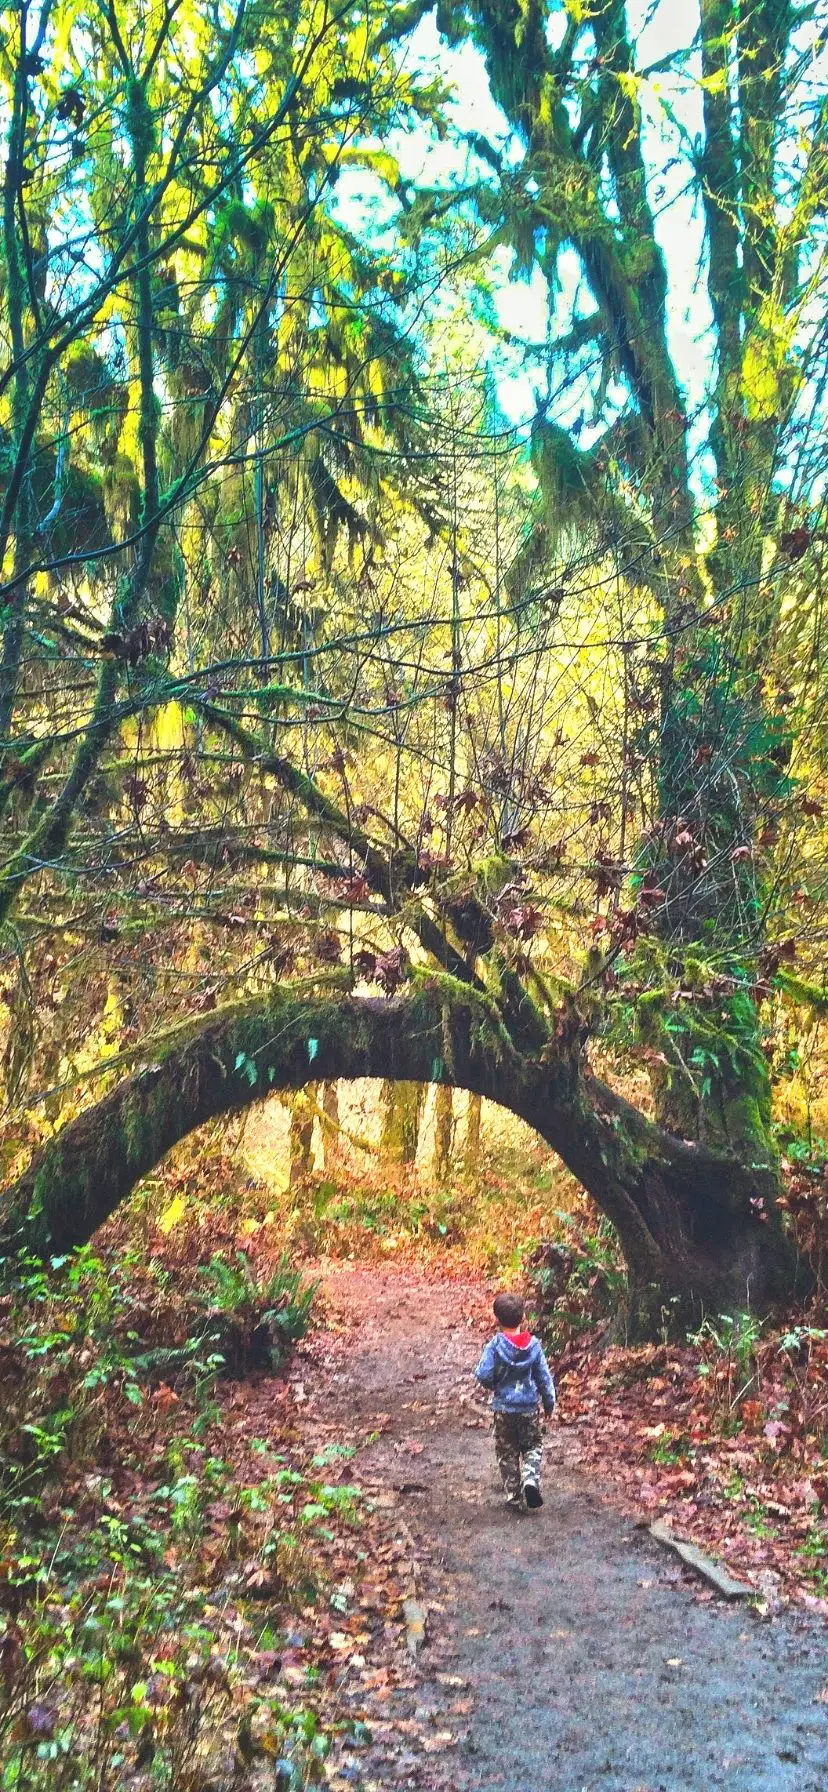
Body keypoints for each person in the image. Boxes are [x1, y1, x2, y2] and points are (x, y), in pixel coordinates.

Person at [475, 1291, 556, 1510]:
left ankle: (514, 1495)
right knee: (532, 1445)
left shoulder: (494, 1346)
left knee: (506, 1451)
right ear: (523, 1318)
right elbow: (544, 1377)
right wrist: (549, 1402)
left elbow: (483, 1374)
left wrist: (495, 1385)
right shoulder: (534, 1346)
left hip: (503, 1408)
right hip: (529, 1408)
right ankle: (531, 1479)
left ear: (497, 1319)